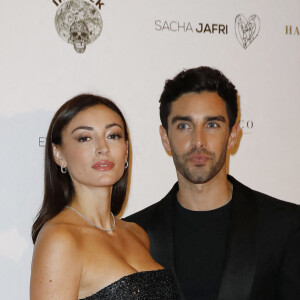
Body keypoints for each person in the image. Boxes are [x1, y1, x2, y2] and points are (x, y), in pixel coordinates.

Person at [125, 67, 300, 300]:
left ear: (233, 135)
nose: (199, 141)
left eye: (212, 125)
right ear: (165, 138)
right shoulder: (132, 234)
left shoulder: (285, 227)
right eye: (184, 126)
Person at [30, 94, 178, 299]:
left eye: (113, 135)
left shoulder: (137, 234)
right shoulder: (60, 239)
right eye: (85, 138)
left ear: (126, 150)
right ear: (59, 154)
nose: (103, 149)